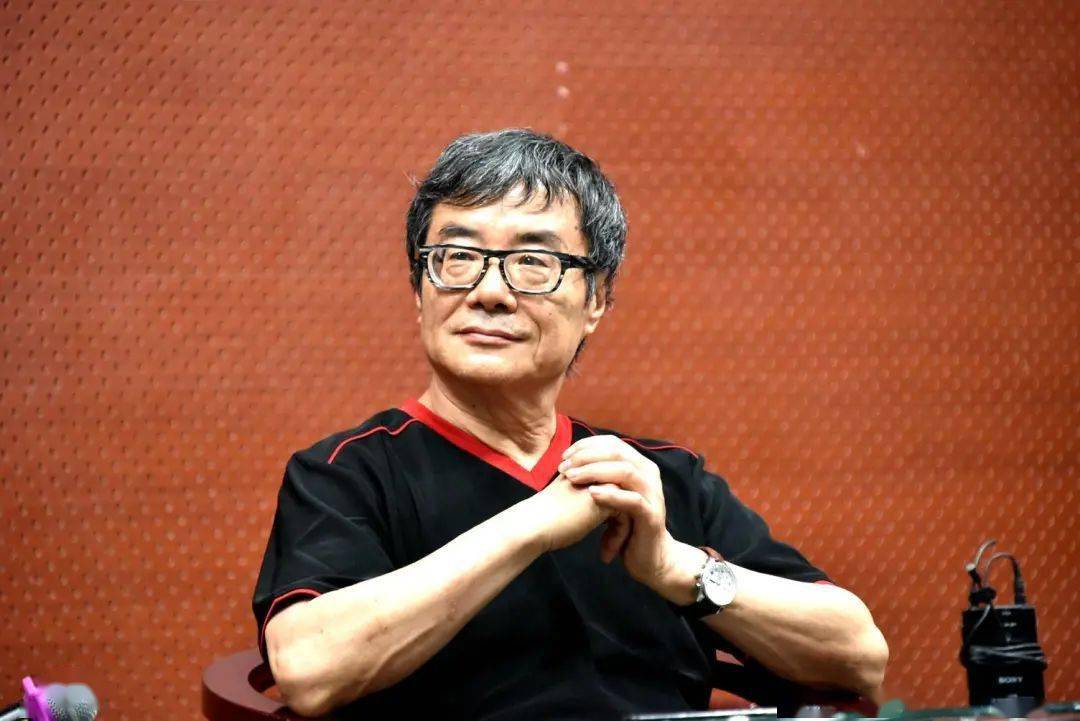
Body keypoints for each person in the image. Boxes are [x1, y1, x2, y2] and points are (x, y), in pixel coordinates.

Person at [251, 129, 889, 720]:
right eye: (457, 256)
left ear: (597, 300)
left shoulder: (655, 478)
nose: (490, 291)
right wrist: (532, 525)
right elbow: (308, 669)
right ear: (421, 288)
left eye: (533, 261)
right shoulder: (349, 473)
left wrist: (675, 568)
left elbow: (859, 654)